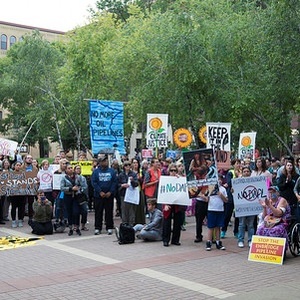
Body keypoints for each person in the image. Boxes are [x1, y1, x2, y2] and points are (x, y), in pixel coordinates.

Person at [91, 154, 117, 235]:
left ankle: (109, 227)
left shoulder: (112, 171)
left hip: (109, 195)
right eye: (103, 161)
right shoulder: (96, 172)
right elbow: (94, 182)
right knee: (98, 212)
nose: (105, 162)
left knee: (109, 211)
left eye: (106, 161)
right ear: (100, 162)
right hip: (98, 196)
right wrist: (100, 191)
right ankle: (98, 227)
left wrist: (110, 192)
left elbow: (114, 182)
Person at [162, 163, 185, 247]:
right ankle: (165, 240)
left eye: (175, 170)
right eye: (171, 170)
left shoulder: (180, 179)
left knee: (177, 222)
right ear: (169, 171)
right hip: (167, 203)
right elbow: (162, 193)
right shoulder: (165, 180)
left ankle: (175, 240)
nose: (173, 172)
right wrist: (165, 204)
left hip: (177, 204)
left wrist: (180, 179)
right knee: (166, 222)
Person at [206, 174, 228, 251]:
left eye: (220, 179)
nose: (219, 181)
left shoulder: (223, 189)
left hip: (220, 210)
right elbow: (206, 199)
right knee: (210, 226)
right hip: (211, 209)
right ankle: (209, 242)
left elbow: (226, 200)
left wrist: (220, 194)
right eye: (217, 179)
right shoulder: (210, 188)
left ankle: (218, 242)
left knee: (218, 226)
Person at [221, 158, 241, 239]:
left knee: (237, 216)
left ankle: (236, 231)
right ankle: (223, 230)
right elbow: (229, 183)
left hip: (240, 196)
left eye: (239, 163)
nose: (238, 165)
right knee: (227, 215)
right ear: (233, 165)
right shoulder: (230, 172)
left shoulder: (243, 172)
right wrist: (236, 177)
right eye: (237, 163)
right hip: (231, 196)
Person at [60, 163, 82, 236]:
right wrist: (70, 188)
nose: (70, 169)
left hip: (76, 196)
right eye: (69, 168)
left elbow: (82, 186)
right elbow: (62, 188)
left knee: (76, 212)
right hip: (68, 196)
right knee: (70, 212)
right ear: (66, 170)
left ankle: (77, 227)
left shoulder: (78, 177)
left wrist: (78, 189)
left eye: (71, 168)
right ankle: (71, 228)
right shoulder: (64, 178)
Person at [237, 166, 255, 248]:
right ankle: (240, 240)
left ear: (250, 173)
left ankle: (250, 240)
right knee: (242, 224)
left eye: (248, 171)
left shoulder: (254, 182)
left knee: (251, 225)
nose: (246, 173)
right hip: (242, 206)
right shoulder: (238, 182)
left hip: (251, 205)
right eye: (245, 171)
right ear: (242, 173)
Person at [118, 161, 139, 226]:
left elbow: (136, 184)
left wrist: (132, 181)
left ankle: (131, 224)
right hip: (124, 194)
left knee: (131, 210)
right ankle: (124, 223)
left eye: (129, 165)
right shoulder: (121, 175)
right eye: (126, 166)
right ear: (124, 167)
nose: (128, 167)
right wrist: (122, 185)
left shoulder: (133, 174)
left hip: (131, 195)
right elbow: (117, 184)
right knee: (124, 209)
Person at [21, 154, 39, 224]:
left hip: (32, 188)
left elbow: (36, 177)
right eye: (28, 158)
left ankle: (30, 217)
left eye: (31, 158)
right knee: (22, 203)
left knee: (31, 202)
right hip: (23, 187)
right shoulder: (21, 167)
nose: (29, 159)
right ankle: (21, 217)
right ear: (25, 159)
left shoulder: (35, 168)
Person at [10, 161, 27, 228]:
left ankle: (20, 220)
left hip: (22, 194)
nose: (18, 166)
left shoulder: (23, 174)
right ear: (14, 166)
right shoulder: (10, 174)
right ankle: (13, 220)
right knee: (13, 207)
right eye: (17, 165)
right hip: (13, 194)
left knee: (21, 207)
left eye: (19, 165)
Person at [74, 165, 89, 231]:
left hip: (82, 197)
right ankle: (76, 225)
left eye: (79, 169)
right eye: (77, 169)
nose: (78, 170)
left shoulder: (83, 178)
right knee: (76, 212)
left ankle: (83, 225)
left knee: (84, 211)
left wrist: (80, 190)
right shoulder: (73, 178)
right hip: (75, 197)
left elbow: (85, 187)